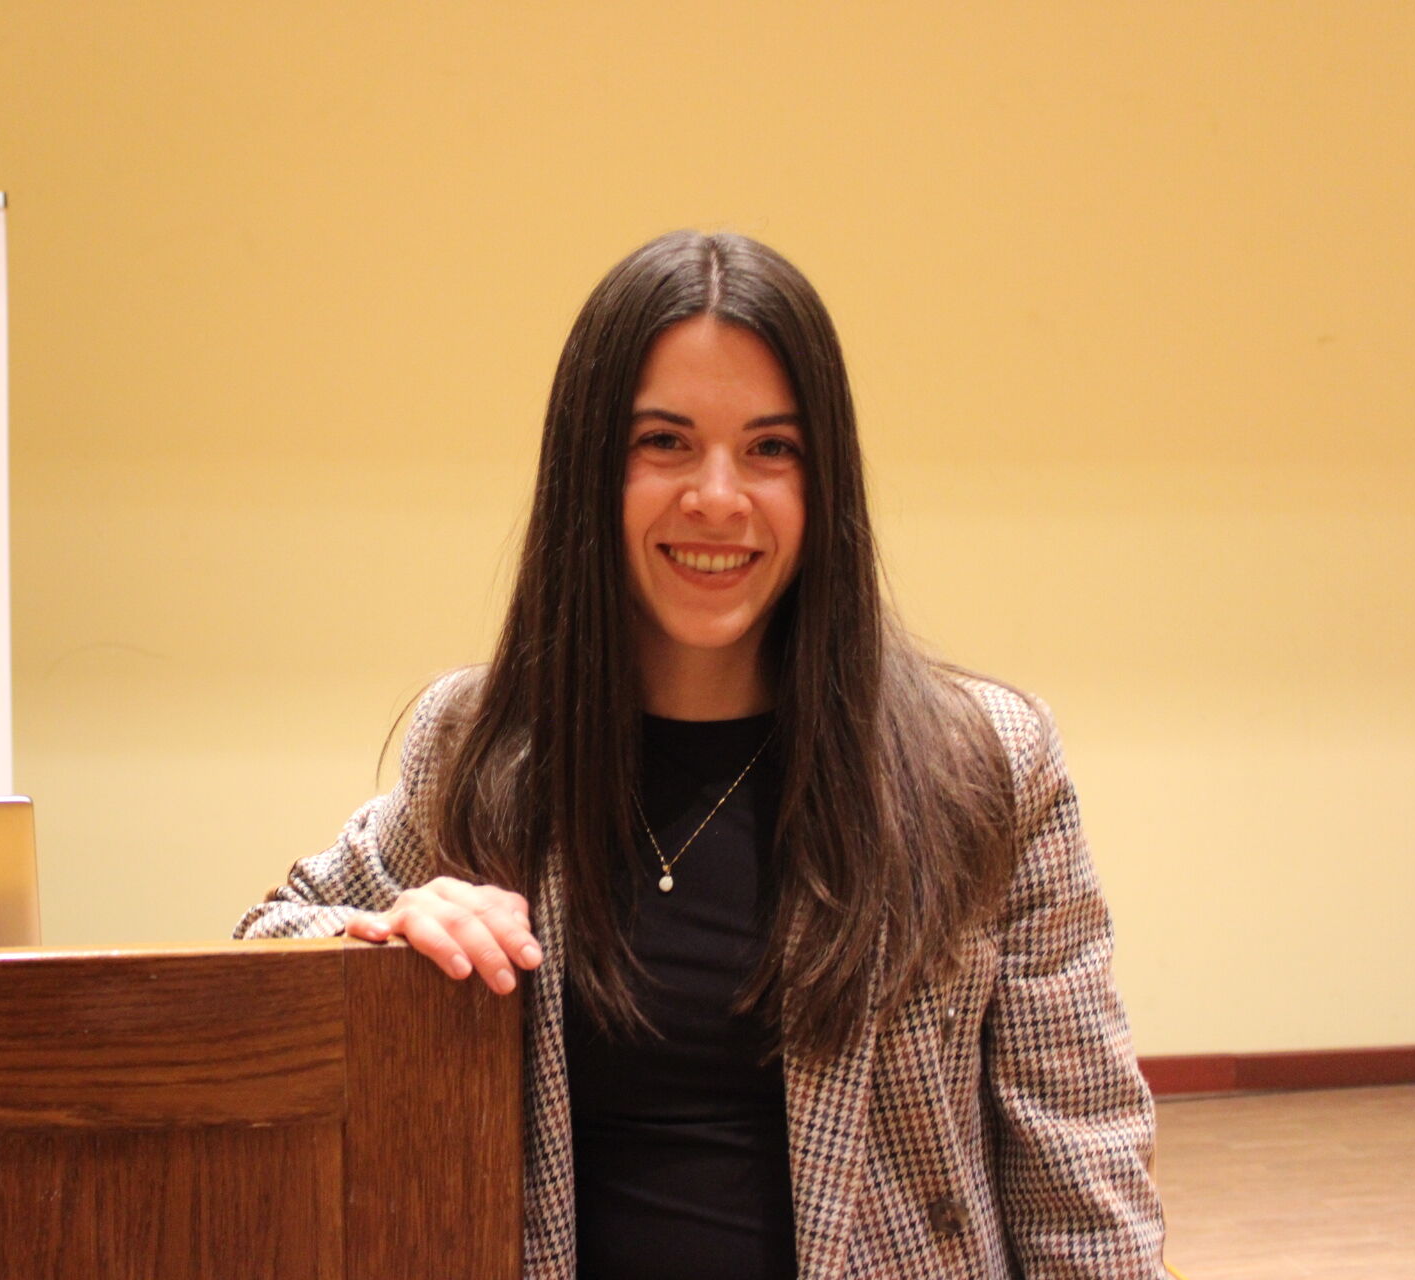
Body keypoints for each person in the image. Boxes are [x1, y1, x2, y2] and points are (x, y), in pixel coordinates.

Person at [235, 231, 1165, 1279]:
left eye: (771, 449)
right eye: (665, 442)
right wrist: (381, 932)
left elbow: (1081, 1166)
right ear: (588, 470)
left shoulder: (981, 761)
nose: (719, 497)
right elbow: (261, 949)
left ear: (824, 484)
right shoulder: (487, 747)